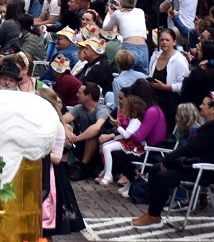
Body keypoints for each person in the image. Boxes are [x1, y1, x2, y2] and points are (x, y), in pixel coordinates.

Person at [131, 92, 214, 229]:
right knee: (155, 169)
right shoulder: (208, 126)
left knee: (162, 176)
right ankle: (153, 213)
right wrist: (168, 161)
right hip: (194, 165)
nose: (200, 106)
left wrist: (168, 160)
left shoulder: (211, 129)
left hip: (203, 170)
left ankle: (154, 216)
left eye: (204, 104)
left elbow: (191, 148)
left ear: (213, 109)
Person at [36, 88, 85, 238]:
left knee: (45, 224)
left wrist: (34, 151)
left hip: (49, 174)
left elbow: (57, 157)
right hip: (37, 170)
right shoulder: (37, 122)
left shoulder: (57, 126)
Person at [96, 95, 148, 186]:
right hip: (127, 142)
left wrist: (117, 126)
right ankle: (106, 171)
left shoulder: (135, 121)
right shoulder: (132, 120)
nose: (123, 110)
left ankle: (108, 175)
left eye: (126, 108)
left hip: (132, 145)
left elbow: (127, 135)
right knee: (105, 146)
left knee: (107, 148)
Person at [63, 83, 111, 181]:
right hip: (81, 146)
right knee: (67, 127)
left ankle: (83, 167)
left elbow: (97, 128)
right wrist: (67, 131)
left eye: (79, 93)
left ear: (88, 96)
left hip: (100, 149)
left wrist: (75, 139)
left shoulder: (102, 109)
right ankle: (63, 163)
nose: (76, 94)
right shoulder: (79, 108)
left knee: (92, 135)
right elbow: (60, 120)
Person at [148, 27, 190, 132]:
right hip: (154, 100)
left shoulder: (179, 60)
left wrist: (165, 87)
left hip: (171, 102)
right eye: (162, 40)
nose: (164, 42)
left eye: (167, 40)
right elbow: (149, 74)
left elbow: (183, 85)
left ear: (174, 42)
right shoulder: (155, 56)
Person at [103, 0, 149, 73]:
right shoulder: (140, 12)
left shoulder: (117, 13)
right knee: (143, 78)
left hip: (129, 47)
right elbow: (129, 12)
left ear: (121, 0)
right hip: (143, 48)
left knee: (125, 75)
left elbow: (105, 27)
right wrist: (121, 7)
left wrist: (109, 13)